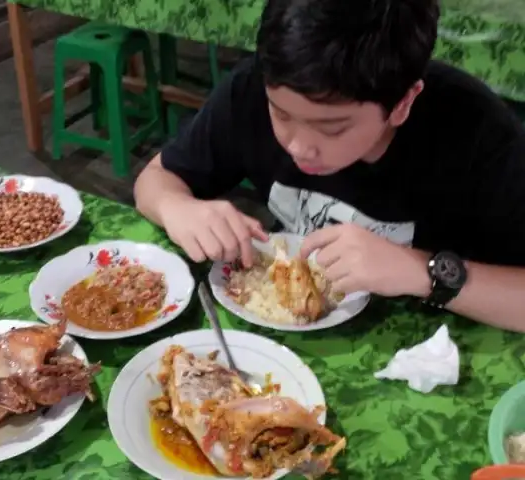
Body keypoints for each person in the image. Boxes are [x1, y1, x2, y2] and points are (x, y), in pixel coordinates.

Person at [133, 0, 525, 332]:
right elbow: (155, 180)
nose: (299, 147)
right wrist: (178, 207)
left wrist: (422, 272)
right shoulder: (252, 88)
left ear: (403, 103)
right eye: (281, 114)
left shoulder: (479, 133)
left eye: (332, 128)